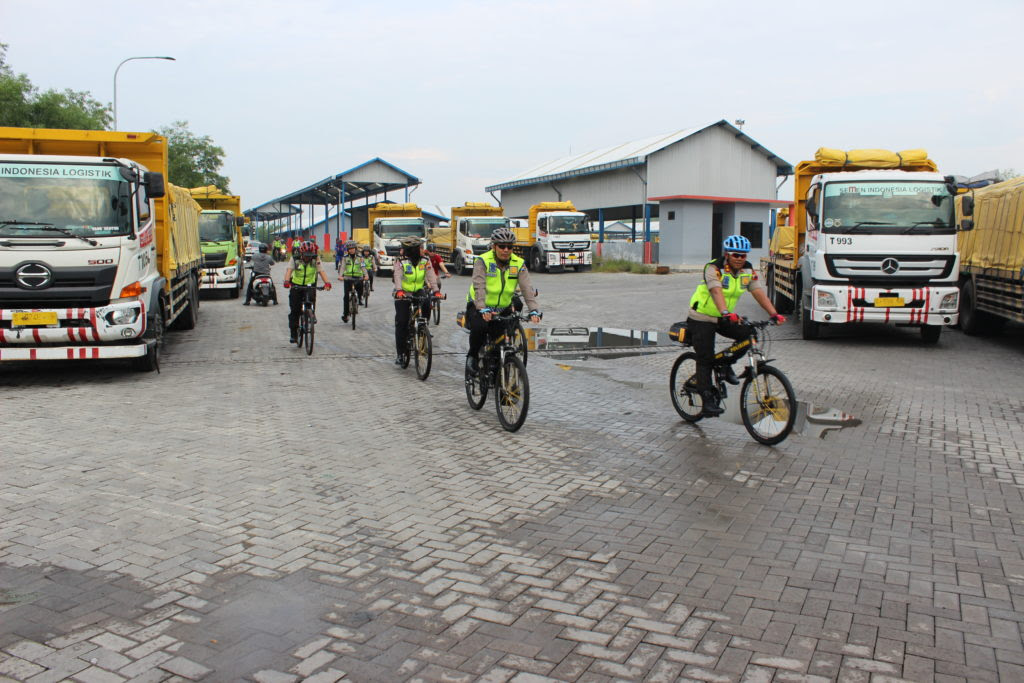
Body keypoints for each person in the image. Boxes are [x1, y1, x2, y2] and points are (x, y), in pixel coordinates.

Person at [686, 235, 785, 417]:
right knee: (705, 358)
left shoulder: (747, 270)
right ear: (727, 254)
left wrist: (774, 314)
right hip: (702, 317)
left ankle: (725, 365)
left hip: (723, 318)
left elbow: (757, 291)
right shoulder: (713, 268)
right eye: (736, 255)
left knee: (749, 335)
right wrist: (725, 311)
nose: (740, 258)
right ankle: (707, 402)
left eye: (743, 255)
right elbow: (716, 291)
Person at [465, 228, 541, 374]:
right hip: (480, 305)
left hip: (502, 307)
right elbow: (479, 286)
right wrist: (482, 308)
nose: (506, 250)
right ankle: (472, 356)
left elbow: (527, 288)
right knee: (479, 328)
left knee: (502, 338)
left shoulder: (518, 263)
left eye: (509, 247)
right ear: (494, 246)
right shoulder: (483, 261)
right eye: (502, 246)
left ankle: (498, 370)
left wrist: (533, 310)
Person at [392, 236, 441, 364]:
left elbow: (431, 276)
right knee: (402, 322)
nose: (423, 250)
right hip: (403, 292)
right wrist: (399, 290)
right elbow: (397, 276)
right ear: (413, 250)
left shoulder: (425, 260)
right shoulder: (400, 261)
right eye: (420, 248)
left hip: (418, 290)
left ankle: (423, 327)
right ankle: (401, 354)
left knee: (427, 301)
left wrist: (436, 291)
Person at [284, 240, 332, 343]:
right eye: (306, 255)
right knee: (295, 310)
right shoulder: (295, 258)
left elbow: (321, 271)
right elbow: (289, 270)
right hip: (296, 285)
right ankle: (294, 334)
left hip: (310, 284)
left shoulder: (315, 259)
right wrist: (287, 281)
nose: (308, 258)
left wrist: (327, 283)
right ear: (301, 253)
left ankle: (311, 314)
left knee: (311, 299)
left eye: (310, 255)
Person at [338, 239, 368, 323]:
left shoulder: (360, 258)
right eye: (350, 249)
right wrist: (340, 275)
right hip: (348, 278)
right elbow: (342, 267)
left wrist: (366, 275)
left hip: (358, 278)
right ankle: (345, 314)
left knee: (360, 290)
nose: (351, 250)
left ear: (355, 248)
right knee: (346, 297)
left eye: (353, 248)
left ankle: (359, 299)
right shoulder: (345, 258)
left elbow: (363, 267)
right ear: (347, 250)